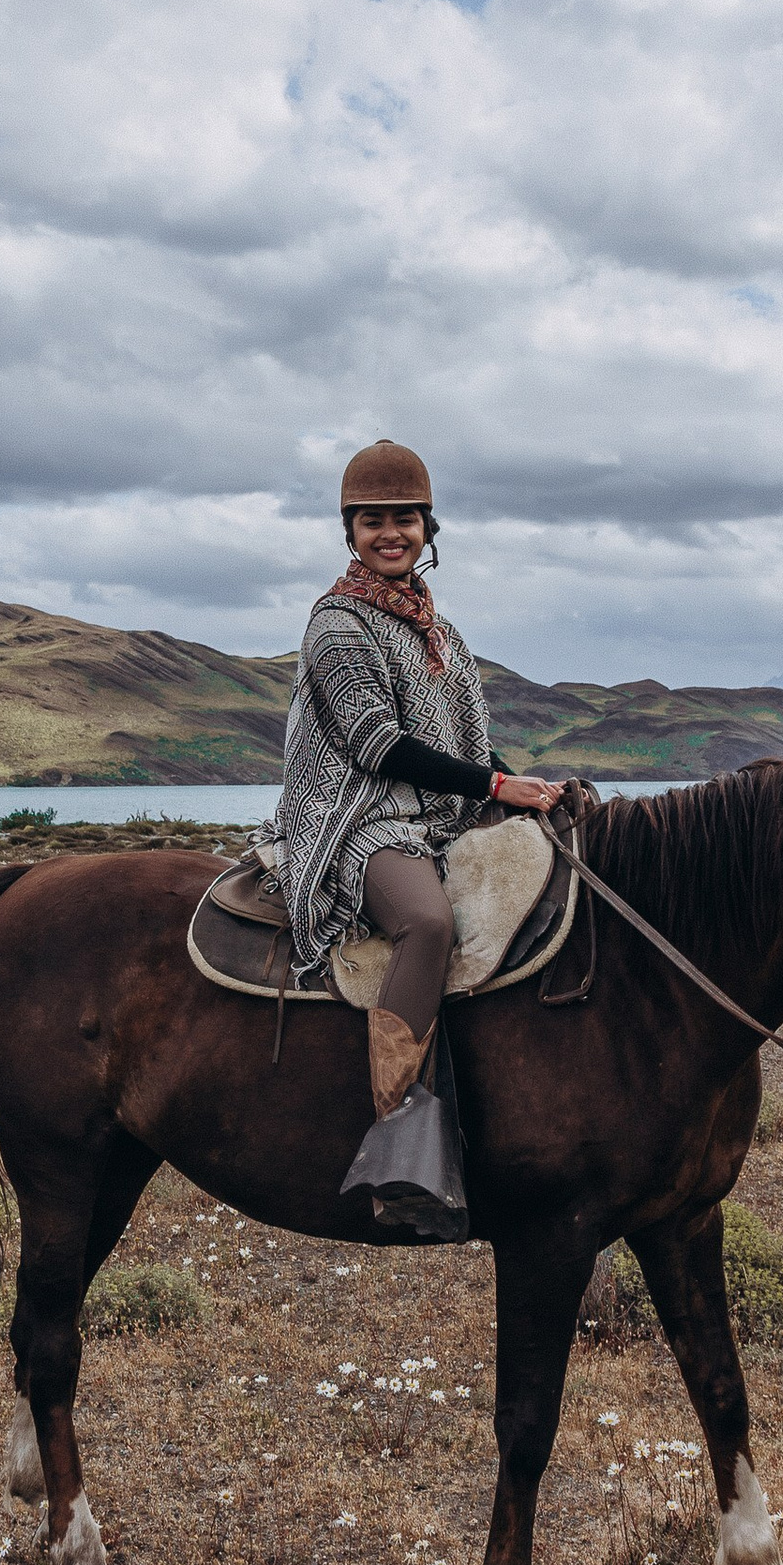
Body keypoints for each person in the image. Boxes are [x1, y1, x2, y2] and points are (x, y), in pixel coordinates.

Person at [258, 439, 564, 1230]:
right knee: (427, 922)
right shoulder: (335, 625)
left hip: (437, 815)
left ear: (429, 528)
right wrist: (494, 785)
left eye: (404, 519)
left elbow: (462, 746)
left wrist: (519, 786)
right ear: (348, 530)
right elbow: (377, 745)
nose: (389, 533)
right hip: (359, 818)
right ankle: (397, 1142)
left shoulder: (441, 632)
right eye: (371, 521)